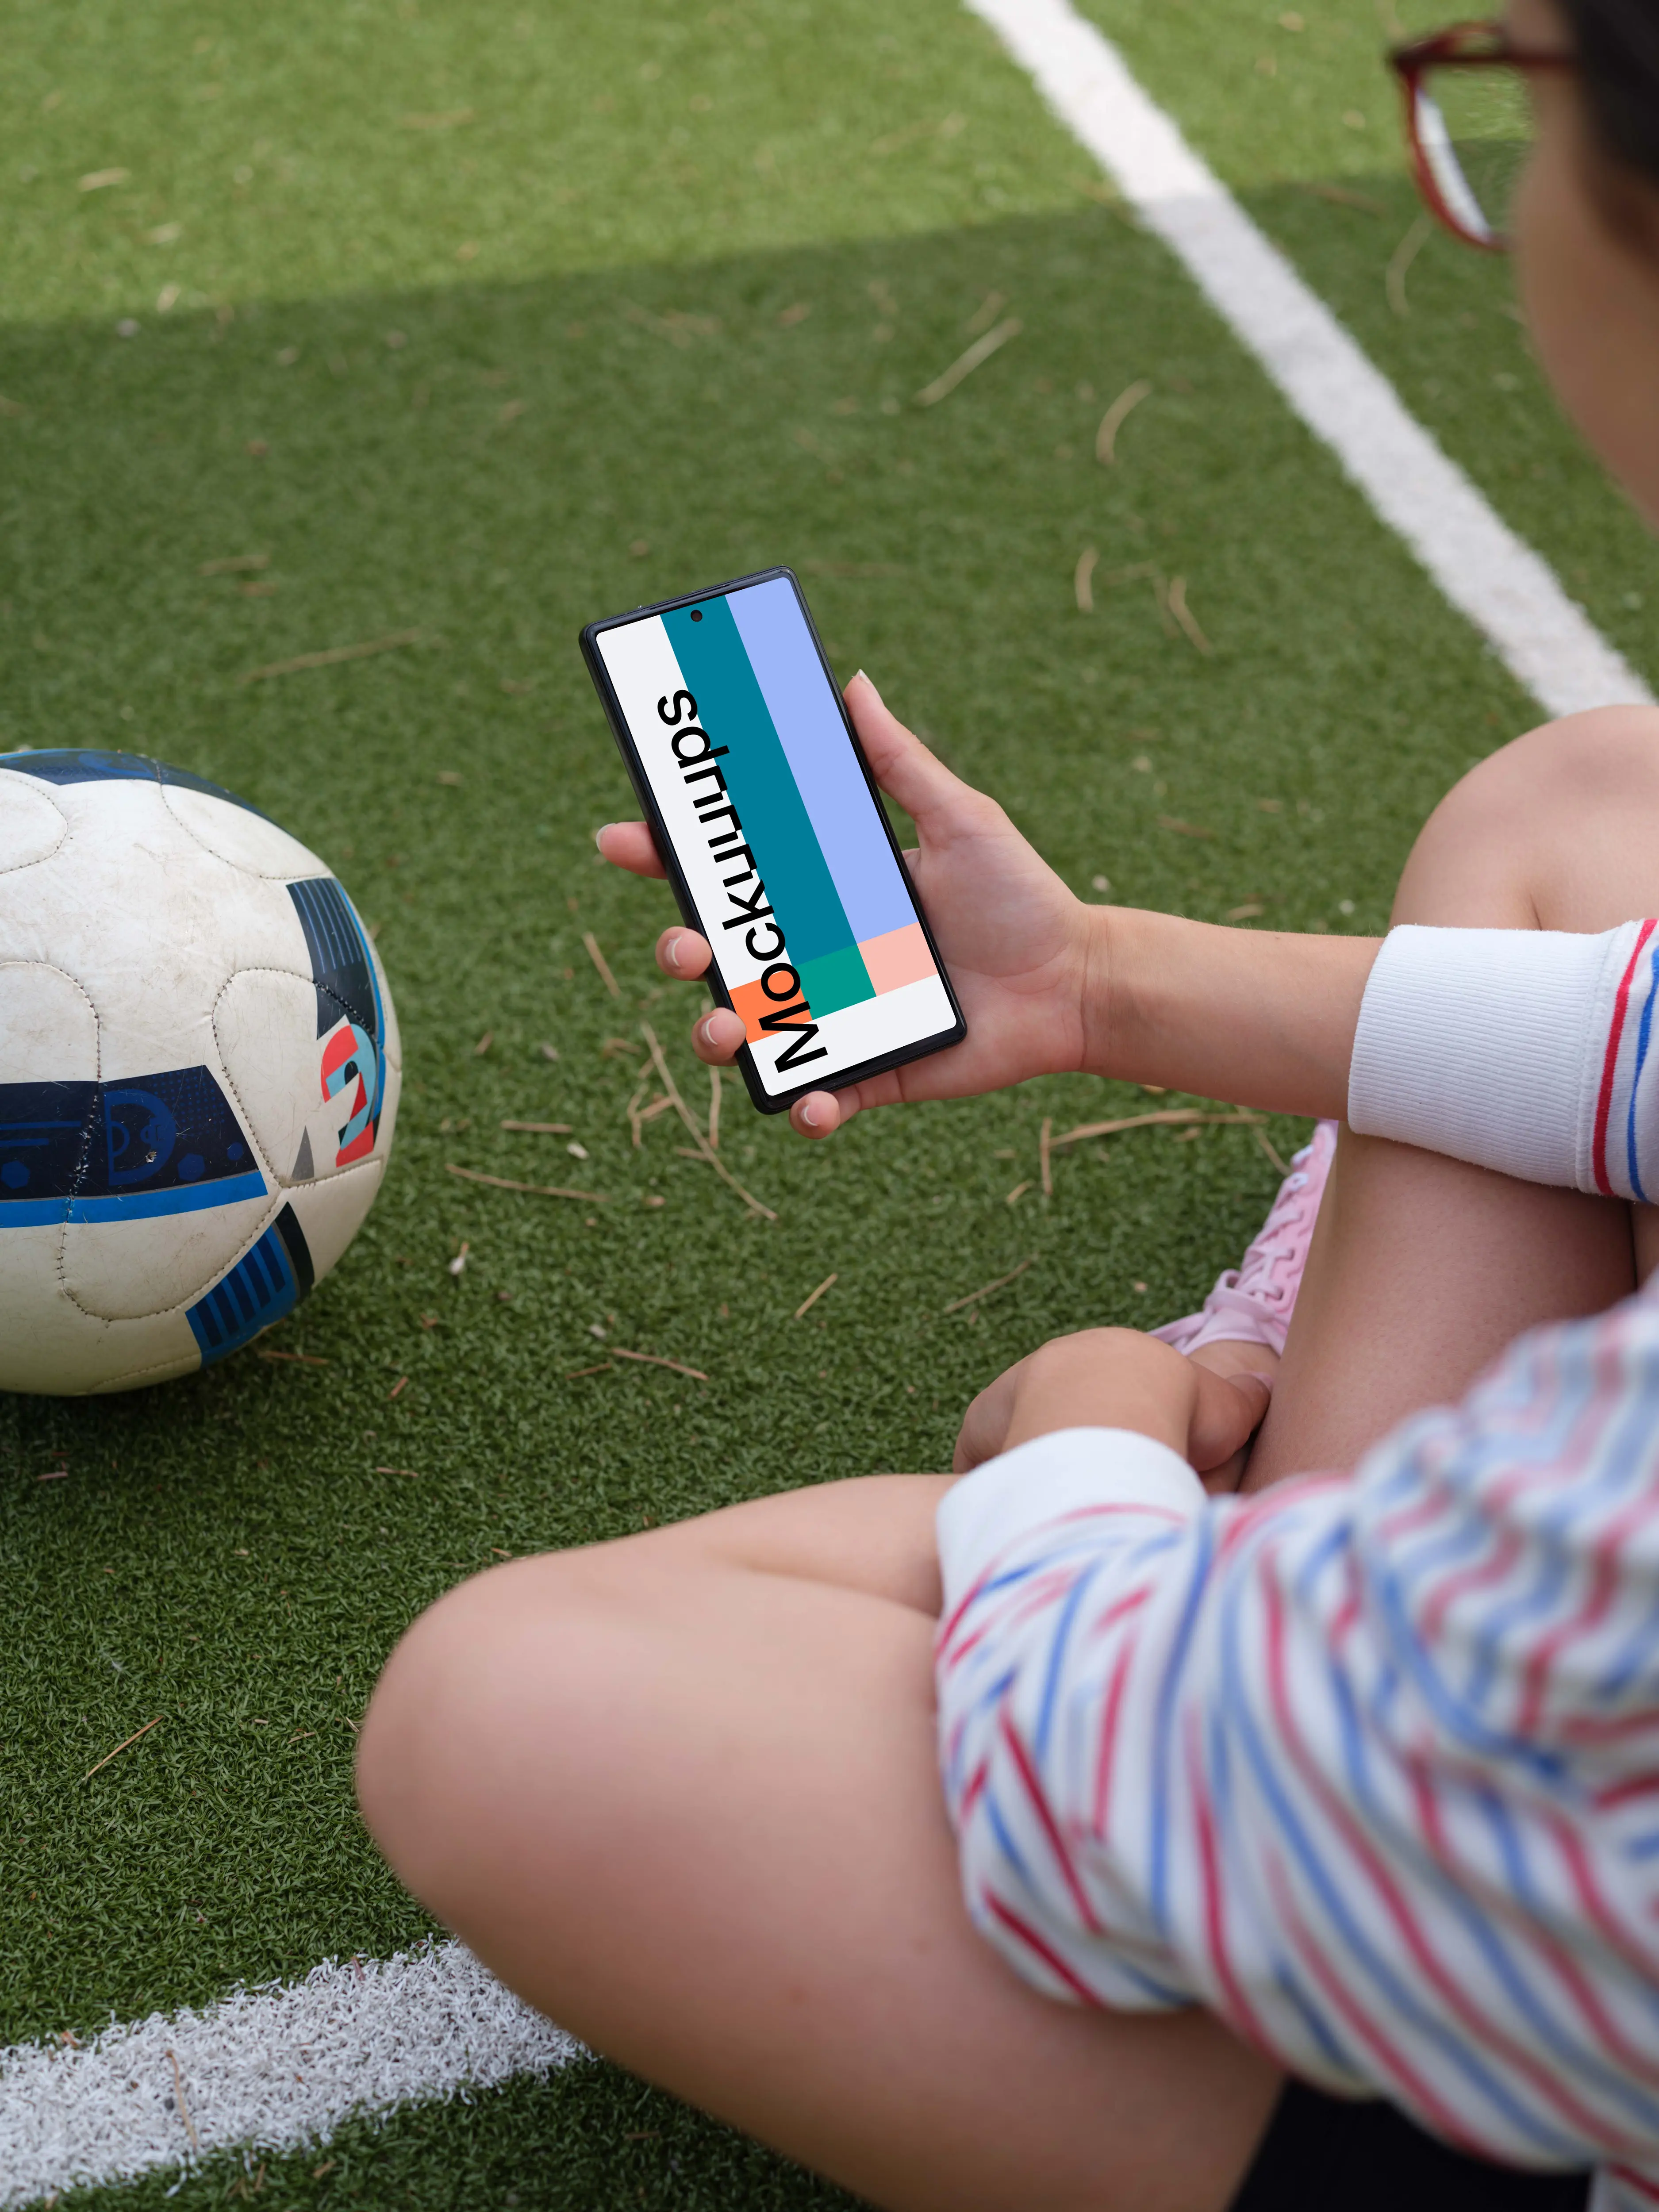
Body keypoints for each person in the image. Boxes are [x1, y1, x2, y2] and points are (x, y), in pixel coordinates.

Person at [356, 1, 1659, 2204]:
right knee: (1593, 802)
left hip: (1376, 1885)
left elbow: (1146, 1805)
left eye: (1505, 68)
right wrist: (1097, 983)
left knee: (509, 1701)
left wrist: (1089, 1419)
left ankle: (1262, 1489)